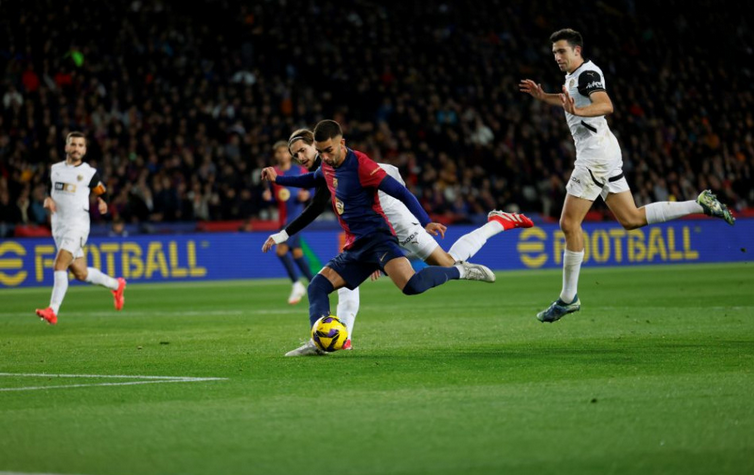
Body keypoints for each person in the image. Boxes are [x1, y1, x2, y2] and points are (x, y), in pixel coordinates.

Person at [519, 28, 735, 323]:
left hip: (594, 156)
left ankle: (568, 298)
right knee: (631, 219)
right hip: (604, 152)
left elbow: (605, 104)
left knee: (569, 223)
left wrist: (580, 112)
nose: (557, 57)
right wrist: (545, 97)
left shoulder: (587, 74)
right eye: (554, 52)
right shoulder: (574, 78)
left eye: (562, 51)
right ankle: (700, 204)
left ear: (577, 51)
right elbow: (574, 102)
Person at [262, 128, 533, 355]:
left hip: (390, 224)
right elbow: (312, 183)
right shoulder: (327, 167)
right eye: (305, 154)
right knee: (320, 286)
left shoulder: (361, 166)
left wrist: (426, 220)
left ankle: (475, 250)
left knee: (425, 276)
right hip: (359, 241)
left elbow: (399, 191)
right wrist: (279, 182)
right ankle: (324, 340)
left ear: (336, 144)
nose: (309, 157)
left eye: (307, 151)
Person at [35, 132, 126, 325]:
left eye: (80, 146)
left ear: (84, 150)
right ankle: (116, 285)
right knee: (81, 274)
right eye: (73, 145)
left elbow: (103, 191)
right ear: (66, 147)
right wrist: (47, 198)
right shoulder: (55, 169)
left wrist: (103, 202)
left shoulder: (89, 173)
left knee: (59, 265)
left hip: (77, 227)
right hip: (58, 227)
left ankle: (53, 310)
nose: (77, 148)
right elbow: (47, 188)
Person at [262, 141, 315, 304]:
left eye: (285, 151)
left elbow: (313, 186)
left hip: (296, 218)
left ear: (290, 154)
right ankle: (316, 284)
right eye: (279, 152)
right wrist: (267, 197)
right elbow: (272, 196)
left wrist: (307, 195)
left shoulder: (300, 170)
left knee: (281, 250)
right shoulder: (274, 173)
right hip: (283, 219)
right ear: (275, 155)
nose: (282, 154)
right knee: (297, 254)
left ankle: (297, 284)